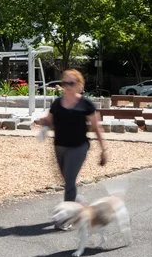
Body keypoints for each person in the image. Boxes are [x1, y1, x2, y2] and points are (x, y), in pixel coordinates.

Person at [33, 69, 107, 208]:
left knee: (70, 180)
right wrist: (41, 121)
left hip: (79, 147)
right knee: (67, 181)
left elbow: (96, 127)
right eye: (64, 83)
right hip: (59, 146)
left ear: (79, 85)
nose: (67, 86)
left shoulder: (86, 104)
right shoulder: (57, 103)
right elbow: (49, 120)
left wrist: (104, 150)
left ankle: (67, 215)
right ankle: (76, 201)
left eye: (71, 83)